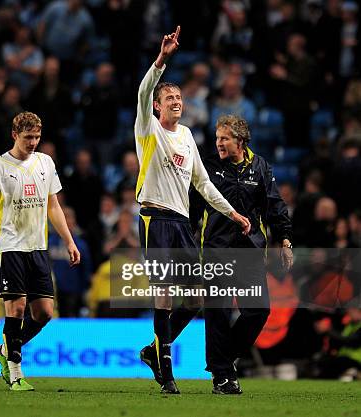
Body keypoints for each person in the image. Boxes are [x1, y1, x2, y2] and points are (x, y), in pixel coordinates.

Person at [133, 26, 250, 394]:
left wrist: (233, 213)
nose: (176, 101)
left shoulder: (186, 137)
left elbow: (203, 183)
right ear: (157, 106)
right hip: (156, 219)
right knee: (164, 293)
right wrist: (162, 60)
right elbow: (140, 92)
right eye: (169, 97)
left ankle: (154, 352)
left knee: (200, 293)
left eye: (179, 96)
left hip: (182, 223)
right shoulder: (148, 130)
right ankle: (166, 372)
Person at [0, 111, 81, 391]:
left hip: (38, 247)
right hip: (9, 247)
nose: (33, 142)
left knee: (43, 312)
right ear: (14, 135)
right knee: (16, 308)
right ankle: (16, 374)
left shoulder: (45, 162)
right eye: (28, 137)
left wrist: (69, 240)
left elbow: (53, 206)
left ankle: (6, 349)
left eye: (37, 137)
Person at [187, 114, 293, 394]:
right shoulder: (208, 166)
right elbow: (194, 208)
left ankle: (223, 362)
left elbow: (274, 205)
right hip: (216, 250)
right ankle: (222, 376)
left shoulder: (260, 167)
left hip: (250, 251)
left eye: (224, 138)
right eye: (217, 138)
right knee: (218, 312)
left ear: (241, 140)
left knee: (258, 310)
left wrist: (284, 238)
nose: (218, 143)